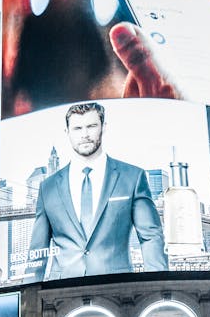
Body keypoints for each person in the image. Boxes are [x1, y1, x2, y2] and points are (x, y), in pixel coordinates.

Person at [26, 102, 166, 281]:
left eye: (91, 126)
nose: (84, 135)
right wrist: (28, 302)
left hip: (118, 288)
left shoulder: (132, 177)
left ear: (103, 127)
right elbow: (37, 251)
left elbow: (150, 238)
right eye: (77, 128)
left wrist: (158, 288)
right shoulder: (48, 187)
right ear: (67, 132)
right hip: (61, 293)